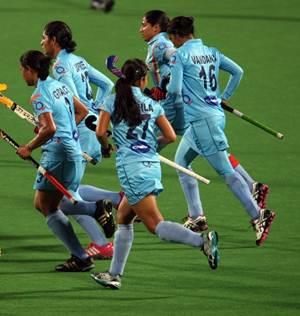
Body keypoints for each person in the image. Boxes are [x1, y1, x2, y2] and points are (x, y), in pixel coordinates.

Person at [90, 59, 220, 289]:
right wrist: (149, 148)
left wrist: (106, 147)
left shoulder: (112, 101)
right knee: (123, 218)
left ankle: (202, 241)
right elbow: (170, 136)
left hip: (132, 169)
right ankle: (114, 275)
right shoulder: (152, 104)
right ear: (142, 80)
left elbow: (101, 131)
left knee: (155, 225)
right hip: (151, 166)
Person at [140, 10, 269, 232]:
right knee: (182, 163)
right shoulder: (211, 52)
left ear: (178, 36)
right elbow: (238, 72)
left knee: (226, 173)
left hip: (202, 120)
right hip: (211, 116)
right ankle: (196, 216)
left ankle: (258, 214)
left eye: (172, 38)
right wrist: (223, 97)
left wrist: (167, 101)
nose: (172, 42)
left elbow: (177, 93)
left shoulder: (181, 55)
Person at [17, 50, 113, 271]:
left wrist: (29, 147)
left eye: (23, 70)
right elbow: (82, 111)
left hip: (58, 155)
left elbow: (50, 128)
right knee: (47, 204)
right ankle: (81, 255)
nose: (22, 74)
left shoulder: (39, 95)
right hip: (74, 151)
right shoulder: (60, 86)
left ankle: (95, 210)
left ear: (31, 70)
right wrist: (60, 129)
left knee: (46, 206)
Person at [41, 21, 122, 261]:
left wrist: (55, 126)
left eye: (44, 37)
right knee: (70, 188)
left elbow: (72, 103)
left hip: (80, 132)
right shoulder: (78, 60)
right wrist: (95, 110)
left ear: (54, 40)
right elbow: (107, 85)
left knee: (67, 196)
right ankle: (117, 199)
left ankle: (101, 243)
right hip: (92, 127)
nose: (42, 42)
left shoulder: (61, 67)